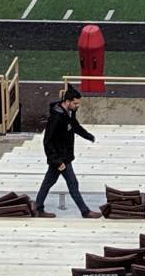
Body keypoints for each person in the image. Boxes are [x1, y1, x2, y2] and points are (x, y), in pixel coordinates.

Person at [33, 86, 97, 217]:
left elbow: (74, 125)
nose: (77, 106)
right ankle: (85, 212)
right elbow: (47, 141)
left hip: (64, 156)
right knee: (72, 183)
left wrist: (88, 136)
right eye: (75, 103)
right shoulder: (56, 117)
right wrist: (56, 161)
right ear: (67, 101)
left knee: (48, 182)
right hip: (60, 159)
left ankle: (38, 208)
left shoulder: (68, 112)